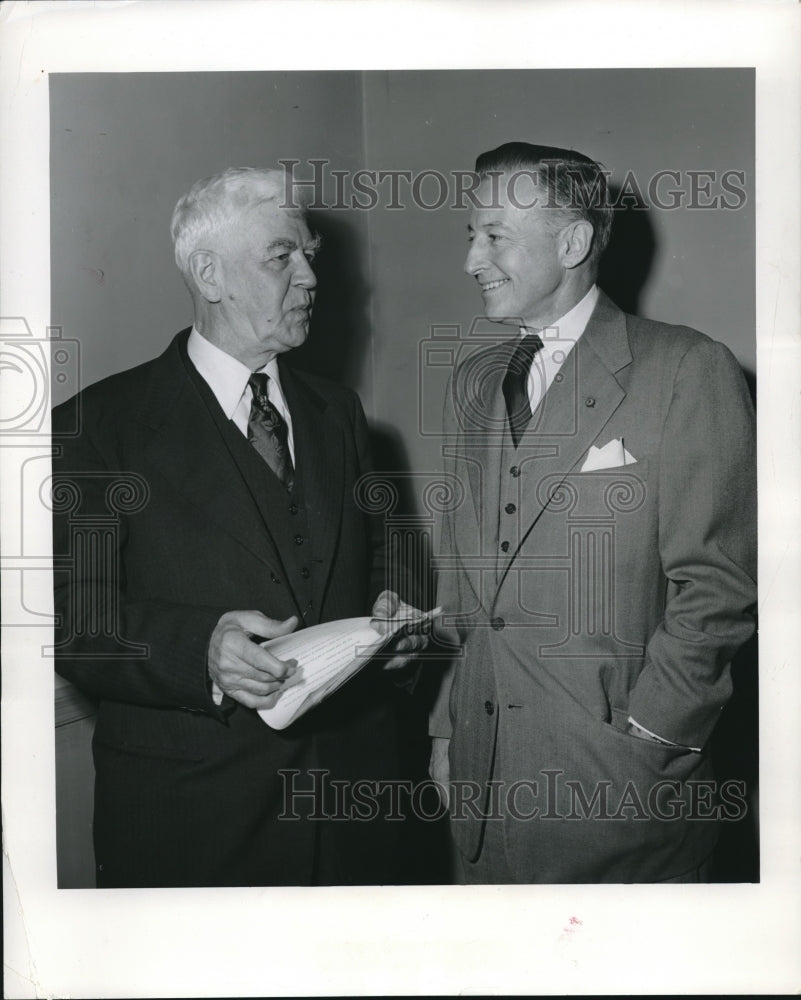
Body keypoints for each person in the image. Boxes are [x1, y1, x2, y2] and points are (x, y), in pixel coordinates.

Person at [52, 166, 424, 888]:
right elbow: (73, 621)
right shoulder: (97, 427)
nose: (312, 277)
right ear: (209, 274)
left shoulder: (338, 413)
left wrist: (392, 613)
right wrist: (204, 651)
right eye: (283, 256)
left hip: (355, 809)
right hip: (194, 824)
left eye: (310, 254)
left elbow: (387, 551)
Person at [428, 142, 757, 883]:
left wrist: (648, 739)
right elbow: (466, 587)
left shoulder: (686, 368)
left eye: (493, 236)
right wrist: (444, 729)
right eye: (469, 236)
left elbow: (719, 587)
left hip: (624, 805)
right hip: (478, 797)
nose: (471, 259)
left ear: (572, 242)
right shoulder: (471, 386)